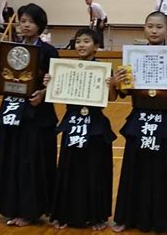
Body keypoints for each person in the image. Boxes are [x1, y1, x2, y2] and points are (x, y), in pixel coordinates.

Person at [112, 11, 167, 235]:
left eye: (159, 27)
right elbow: (123, 92)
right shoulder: (133, 56)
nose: (154, 30)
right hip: (140, 119)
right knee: (133, 170)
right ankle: (126, 217)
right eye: (150, 26)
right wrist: (117, 82)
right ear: (144, 28)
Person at [44, 28, 125, 230]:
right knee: (69, 169)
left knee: (95, 171)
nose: (81, 45)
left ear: (96, 46)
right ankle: (64, 214)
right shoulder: (66, 68)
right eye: (78, 41)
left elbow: (112, 99)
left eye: (86, 41)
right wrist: (50, 83)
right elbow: (57, 93)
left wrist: (113, 85)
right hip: (72, 123)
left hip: (95, 125)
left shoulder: (104, 69)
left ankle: (97, 216)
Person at [0, 3, 60, 227]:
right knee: (11, 158)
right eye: (22, 21)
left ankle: (31, 210)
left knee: (31, 162)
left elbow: (58, 83)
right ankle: (10, 206)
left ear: (40, 25)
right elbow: (6, 81)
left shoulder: (49, 51)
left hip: (37, 116)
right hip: (12, 112)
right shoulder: (10, 48)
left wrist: (44, 93)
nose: (25, 25)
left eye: (30, 21)